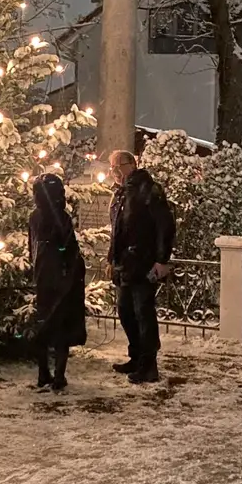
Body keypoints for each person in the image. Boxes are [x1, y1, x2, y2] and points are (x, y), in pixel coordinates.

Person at [106, 150, 176, 385]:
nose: (114, 171)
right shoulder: (121, 194)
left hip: (143, 262)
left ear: (131, 164)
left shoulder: (148, 190)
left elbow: (164, 225)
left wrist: (161, 259)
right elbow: (117, 230)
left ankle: (149, 365)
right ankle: (136, 357)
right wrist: (112, 260)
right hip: (125, 263)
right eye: (111, 167)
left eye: (118, 165)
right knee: (126, 311)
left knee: (143, 313)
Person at [29, 174, 87, 392]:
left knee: (44, 324)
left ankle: (44, 373)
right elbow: (68, 247)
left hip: (44, 276)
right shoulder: (60, 217)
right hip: (62, 278)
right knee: (60, 327)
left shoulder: (36, 217)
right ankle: (57, 376)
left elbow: (32, 248)